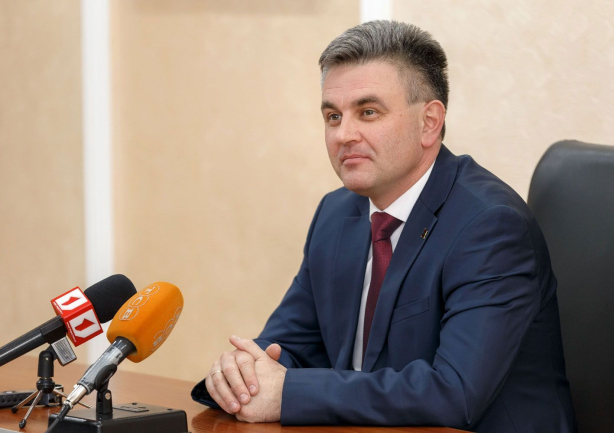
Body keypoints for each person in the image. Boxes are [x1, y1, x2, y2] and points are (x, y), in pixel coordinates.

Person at [192, 20, 576, 432]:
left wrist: (288, 393)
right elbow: (288, 347)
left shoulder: (489, 227)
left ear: (429, 122)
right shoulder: (336, 215)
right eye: (333, 116)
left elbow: (454, 394)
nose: (343, 134)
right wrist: (242, 375)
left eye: (368, 112)